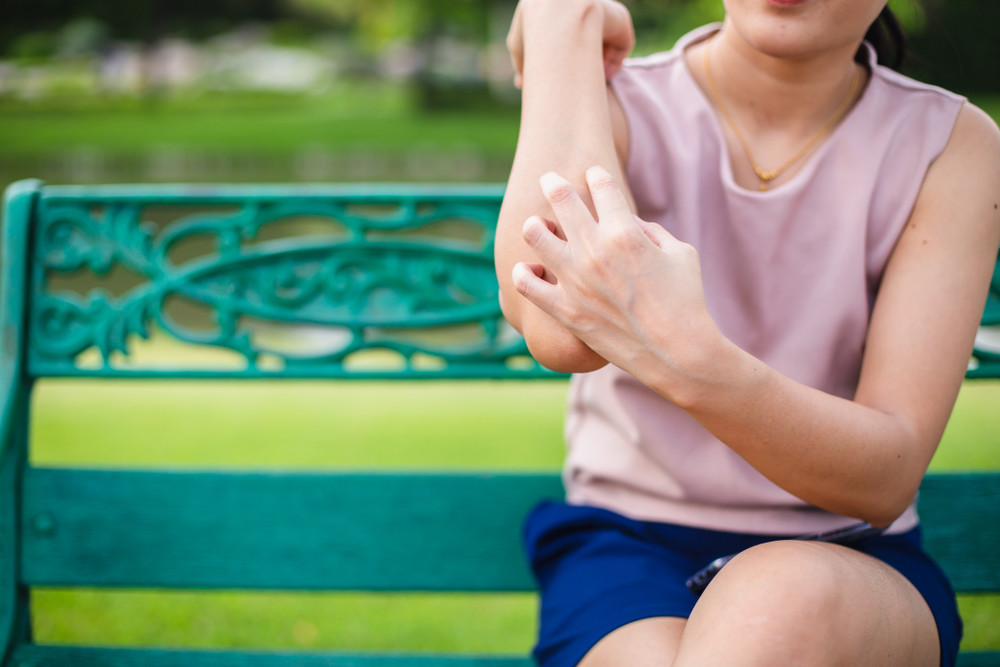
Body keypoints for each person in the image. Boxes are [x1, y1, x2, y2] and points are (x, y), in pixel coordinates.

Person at [493, 1, 1000, 665]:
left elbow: (883, 479)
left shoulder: (950, 145)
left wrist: (689, 355)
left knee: (778, 603)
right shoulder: (623, 108)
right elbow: (560, 330)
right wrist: (563, 22)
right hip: (629, 548)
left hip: (850, 561)